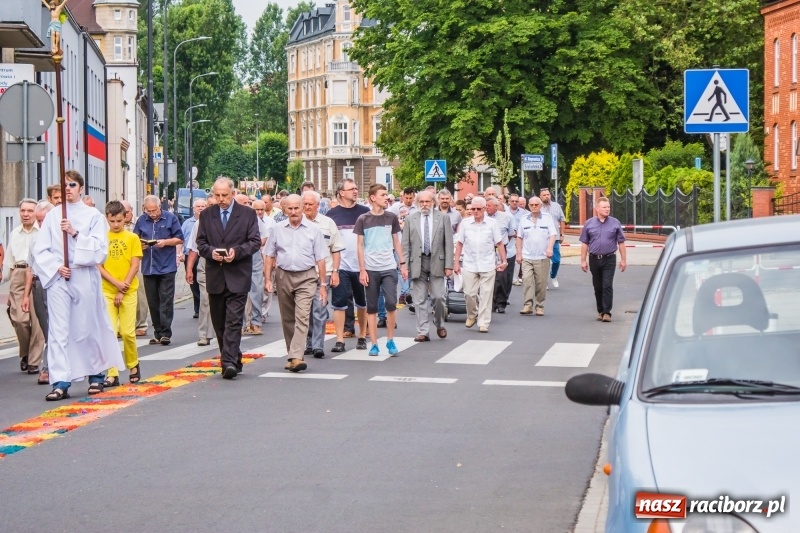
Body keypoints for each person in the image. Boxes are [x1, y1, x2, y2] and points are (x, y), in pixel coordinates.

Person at [32, 170, 124, 401]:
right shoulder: (53, 216)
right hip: (59, 277)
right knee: (58, 331)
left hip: (83, 275)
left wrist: (74, 233)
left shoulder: (92, 215)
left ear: (81, 188)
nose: (68, 189)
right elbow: (40, 249)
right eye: (64, 185)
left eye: (72, 184)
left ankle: (95, 374)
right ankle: (60, 380)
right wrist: (55, 266)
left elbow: (99, 250)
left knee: (87, 327)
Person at [196, 178, 262, 379]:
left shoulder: (247, 214)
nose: (221, 199)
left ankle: (228, 362)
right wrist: (211, 252)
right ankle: (234, 356)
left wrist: (237, 252)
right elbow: (200, 242)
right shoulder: (207, 215)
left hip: (238, 274)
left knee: (233, 321)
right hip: (216, 275)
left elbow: (255, 242)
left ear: (233, 193)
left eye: (224, 195)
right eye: (217, 195)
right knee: (220, 322)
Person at [264, 194, 328, 372]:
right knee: (288, 318)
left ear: (302, 208)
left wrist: (323, 285)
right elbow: (269, 255)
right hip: (283, 275)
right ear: (284, 209)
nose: (293, 212)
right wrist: (268, 279)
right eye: (290, 209)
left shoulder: (313, 230)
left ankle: (297, 356)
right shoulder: (277, 229)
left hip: (307, 276)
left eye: (296, 208)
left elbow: (321, 259)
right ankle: (292, 354)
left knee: (302, 315)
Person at [355, 184, 406, 356]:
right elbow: (360, 245)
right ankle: (374, 343)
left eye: (386, 195)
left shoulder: (391, 217)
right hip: (370, 268)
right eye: (383, 195)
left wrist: (402, 263)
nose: (387, 198)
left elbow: (396, 242)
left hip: (389, 267)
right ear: (373, 198)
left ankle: (390, 340)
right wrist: (362, 270)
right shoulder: (363, 219)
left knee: (391, 303)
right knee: (372, 307)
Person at [98, 201, 142, 386]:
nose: (116, 225)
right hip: (107, 289)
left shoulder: (132, 238)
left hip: (128, 290)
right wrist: (115, 283)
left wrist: (123, 286)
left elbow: (135, 264)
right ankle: (112, 372)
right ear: (106, 219)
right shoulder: (101, 238)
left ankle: (133, 364)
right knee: (109, 332)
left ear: (125, 218)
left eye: (119, 220)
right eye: (112, 221)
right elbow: (98, 265)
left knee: (127, 332)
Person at [402, 190, 453, 342]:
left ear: (433, 202)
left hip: (438, 260)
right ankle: (423, 331)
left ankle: (439, 323)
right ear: (418, 203)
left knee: (438, 297)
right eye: (422, 202)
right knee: (420, 299)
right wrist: (404, 265)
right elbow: (405, 244)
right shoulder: (411, 219)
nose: (424, 205)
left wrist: (449, 264)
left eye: (427, 202)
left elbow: (448, 243)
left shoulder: (443, 218)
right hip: (418, 262)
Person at [133, 195, 183, 346]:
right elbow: (135, 239)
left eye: (154, 210)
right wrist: (140, 245)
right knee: (153, 301)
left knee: (166, 300)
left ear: (159, 206)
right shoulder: (142, 220)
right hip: (149, 266)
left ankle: (166, 333)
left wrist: (166, 242)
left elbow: (179, 238)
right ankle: (157, 332)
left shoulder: (170, 218)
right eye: (149, 211)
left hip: (166, 266)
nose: (152, 214)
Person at [327, 178, 370, 353]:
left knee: (361, 302)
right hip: (341, 265)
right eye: (351, 188)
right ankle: (339, 340)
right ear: (341, 193)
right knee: (339, 303)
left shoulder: (365, 212)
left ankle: (362, 336)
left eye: (356, 187)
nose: (355, 191)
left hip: (360, 265)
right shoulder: (332, 214)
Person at [4, 198, 46, 375]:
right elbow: (9, 261)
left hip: (37, 275)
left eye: (30, 211)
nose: (26, 214)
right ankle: (25, 353)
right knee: (20, 319)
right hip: (18, 275)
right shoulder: (15, 233)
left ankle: (34, 361)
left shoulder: (42, 232)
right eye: (23, 211)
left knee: (37, 321)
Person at [454, 197, 505, 333]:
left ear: (484, 209)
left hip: (487, 263)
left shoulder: (492, 223)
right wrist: (456, 262)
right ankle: (472, 314)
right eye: (473, 209)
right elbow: (460, 243)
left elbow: (499, 243)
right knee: (469, 293)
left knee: (486, 294)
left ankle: (483, 322)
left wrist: (504, 261)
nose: (475, 211)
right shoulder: (465, 223)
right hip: (470, 263)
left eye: (478, 209)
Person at [301, 191, 343, 359]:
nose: (307, 207)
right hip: (302, 274)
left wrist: (335, 272)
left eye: (310, 204)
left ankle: (318, 345)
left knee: (319, 310)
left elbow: (336, 249)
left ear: (318, 205)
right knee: (305, 311)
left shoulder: (328, 223)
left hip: (322, 274)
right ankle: (309, 341)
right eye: (305, 204)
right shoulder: (297, 223)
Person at [22, 201, 55, 384]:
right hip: (39, 285)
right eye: (39, 221)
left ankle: (48, 368)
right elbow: (30, 269)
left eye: (43, 221)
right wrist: (26, 295)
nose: (41, 225)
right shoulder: (35, 239)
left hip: (56, 284)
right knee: (46, 328)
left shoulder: (59, 237)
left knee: (55, 328)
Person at [579, 197, 627, 322]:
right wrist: (583, 261)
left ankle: (607, 312)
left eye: (608, 207)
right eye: (604, 207)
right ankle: (600, 310)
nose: (607, 209)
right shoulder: (589, 223)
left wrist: (623, 260)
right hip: (594, 259)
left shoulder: (615, 222)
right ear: (597, 208)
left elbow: (621, 242)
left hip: (609, 258)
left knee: (607, 285)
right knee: (598, 287)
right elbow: (584, 243)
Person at [185, 196, 217, 346]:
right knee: (205, 299)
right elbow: (193, 248)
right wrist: (189, 269)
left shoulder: (229, 222)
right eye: (208, 205)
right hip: (206, 263)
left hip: (227, 264)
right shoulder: (199, 223)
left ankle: (223, 331)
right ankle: (204, 334)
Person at [516, 197, 556, 316]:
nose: (534, 207)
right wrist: (519, 253)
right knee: (527, 281)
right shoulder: (524, 219)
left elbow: (553, 234)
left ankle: (539, 306)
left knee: (541, 283)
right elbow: (519, 237)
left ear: (540, 206)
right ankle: (527, 305)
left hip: (542, 257)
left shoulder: (547, 218)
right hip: (527, 256)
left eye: (536, 205)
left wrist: (549, 248)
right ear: (528, 206)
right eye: (532, 205)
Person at [122, 200, 149, 336]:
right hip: (120, 262)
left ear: (131, 210)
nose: (124, 215)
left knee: (139, 293)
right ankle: (122, 325)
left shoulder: (140, 222)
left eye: (126, 212)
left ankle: (141, 324)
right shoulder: (114, 223)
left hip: (138, 261)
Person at [486, 198, 516, 314]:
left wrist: (503, 246)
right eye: (486, 205)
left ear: (496, 206)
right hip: (487, 250)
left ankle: (501, 302)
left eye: (489, 205)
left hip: (500, 249)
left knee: (501, 277)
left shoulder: (506, 217)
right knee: (488, 276)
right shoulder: (483, 216)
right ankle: (491, 302)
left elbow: (510, 234)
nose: (487, 207)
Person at [181, 198, 206, 318]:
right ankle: (197, 306)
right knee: (193, 283)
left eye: (203, 206)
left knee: (203, 282)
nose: (200, 208)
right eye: (198, 206)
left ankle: (201, 306)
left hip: (202, 255)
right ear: (193, 209)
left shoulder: (208, 221)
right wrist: (179, 253)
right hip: (189, 255)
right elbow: (181, 239)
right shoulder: (187, 223)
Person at [539, 188, 566, 289]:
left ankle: (553, 275)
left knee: (556, 260)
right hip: (542, 238)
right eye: (544, 195)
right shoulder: (538, 207)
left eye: (548, 194)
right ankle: (544, 281)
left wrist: (562, 234)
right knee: (543, 261)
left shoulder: (556, 206)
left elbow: (562, 220)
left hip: (554, 237)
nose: (547, 196)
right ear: (540, 197)